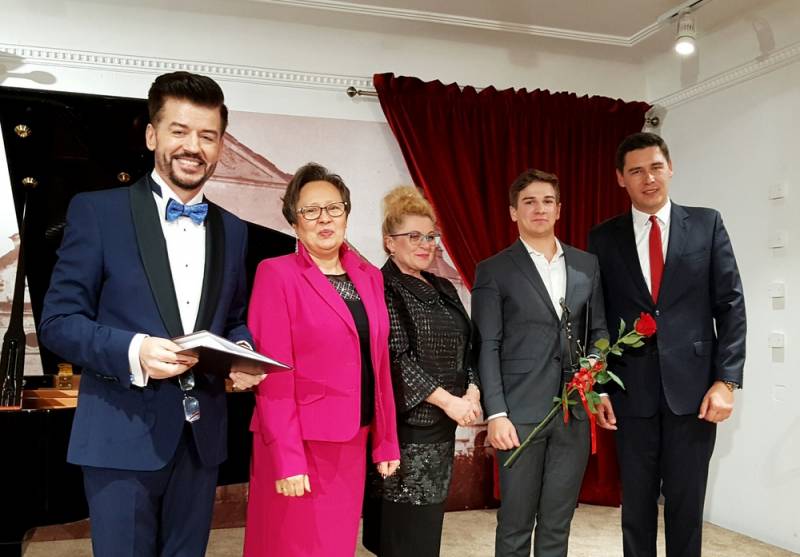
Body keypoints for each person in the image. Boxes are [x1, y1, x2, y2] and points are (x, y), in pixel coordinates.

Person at [38, 71, 265, 556]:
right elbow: (58, 322)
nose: (193, 147)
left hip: (202, 439)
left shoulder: (234, 229)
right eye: (179, 131)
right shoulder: (97, 212)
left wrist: (242, 352)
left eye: (207, 136)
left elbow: (232, 319)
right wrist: (135, 350)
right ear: (151, 135)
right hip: (119, 433)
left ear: (220, 146)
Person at [588, 132, 746, 557]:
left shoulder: (707, 224)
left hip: (695, 395)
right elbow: (597, 319)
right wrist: (599, 387)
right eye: (637, 171)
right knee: (636, 509)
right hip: (630, 395)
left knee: (686, 507)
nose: (649, 179)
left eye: (656, 167)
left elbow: (731, 305)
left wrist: (727, 382)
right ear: (621, 178)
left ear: (670, 168)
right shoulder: (603, 238)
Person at [243, 163, 400, 557]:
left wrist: (386, 441)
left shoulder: (369, 276)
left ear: (346, 213)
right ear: (294, 222)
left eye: (333, 208)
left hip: (351, 442)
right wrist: (287, 459)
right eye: (310, 210)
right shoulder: (276, 274)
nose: (324, 218)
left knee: (335, 546)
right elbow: (273, 375)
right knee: (289, 547)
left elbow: (378, 364)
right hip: (299, 443)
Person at [472, 169, 608, 557]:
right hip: (518, 415)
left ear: (559, 209)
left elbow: (599, 331)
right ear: (513, 212)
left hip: (573, 413)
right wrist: (496, 414)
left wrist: (593, 371)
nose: (539, 209)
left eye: (547, 201)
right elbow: (487, 346)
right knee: (515, 524)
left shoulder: (586, 264)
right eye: (529, 201)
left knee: (557, 524)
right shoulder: (493, 270)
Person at [362, 186, 481, 557]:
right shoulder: (382, 287)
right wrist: (450, 402)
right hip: (405, 430)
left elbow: (468, 345)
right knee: (401, 535)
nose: (426, 244)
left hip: (443, 427)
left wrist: (473, 391)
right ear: (389, 242)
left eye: (430, 236)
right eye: (414, 236)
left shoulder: (443, 286)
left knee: (426, 531)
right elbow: (394, 359)